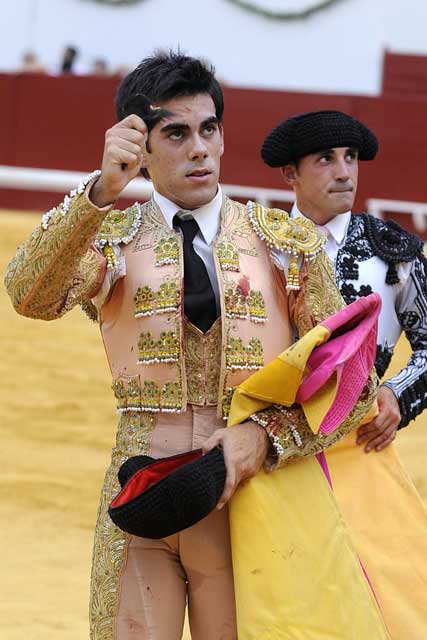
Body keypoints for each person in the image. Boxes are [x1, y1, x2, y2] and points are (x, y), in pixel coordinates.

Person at [5, 56, 387, 640]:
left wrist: (263, 438)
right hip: (141, 498)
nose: (200, 149)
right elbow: (29, 294)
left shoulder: (285, 242)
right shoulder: (110, 236)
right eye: (176, 133)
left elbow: (353, 384)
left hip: (250, 501)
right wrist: (100, 190)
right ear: (141, 147)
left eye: (209, 129)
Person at [261, 109, 427, 638]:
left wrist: (399, 395)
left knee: (384, 597)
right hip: (271, 450)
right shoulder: (253, 245)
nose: (344, 172)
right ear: (291, 174)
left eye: (350, 158)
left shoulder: (394, 250)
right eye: (326, 160)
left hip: (360, 449)